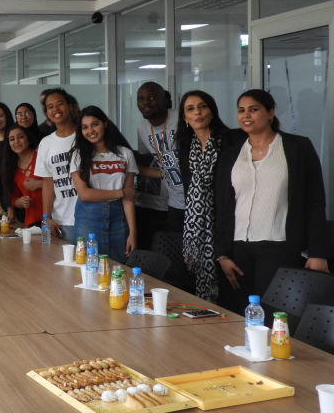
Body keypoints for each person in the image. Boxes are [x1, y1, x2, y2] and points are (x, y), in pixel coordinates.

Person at [215, 89, 329, 311]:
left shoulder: (297, 147)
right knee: (240, 314)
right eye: (241, 110)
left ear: (270, 113)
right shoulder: (231, 153)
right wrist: (222, 254)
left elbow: (315, 202)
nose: (246, 115)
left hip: (280, 247)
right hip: (239, 250)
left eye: (254, 109)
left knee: (273, 315)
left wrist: (318, 252)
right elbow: (223, 206)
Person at [176, 90, 228, 303]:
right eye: (190, 109)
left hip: (226, 221)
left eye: (202, 106)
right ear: (185, 117)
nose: (197, 112)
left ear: (212, 111)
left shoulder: (229, 141)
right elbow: (189, 191)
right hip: (198, 228)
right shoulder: (186, 146)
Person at [69, 106, 138, 263]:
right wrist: (120, 193)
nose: (90, 131)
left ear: (105, 124)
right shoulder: (78, 155)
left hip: (119, 217)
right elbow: (85, 194)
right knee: (87, 266)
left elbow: (129, 198)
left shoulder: (125, 153)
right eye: (85, 127)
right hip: (88, 218)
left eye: (95, 124)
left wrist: (133, 232)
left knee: (120, 267)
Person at [134, 82, 184, 250]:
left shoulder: (182, 118)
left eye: (152, 97)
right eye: (141, 99)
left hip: (198, 198)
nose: (145, 103)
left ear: (164, 99)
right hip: (175, 201)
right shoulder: (142, 129)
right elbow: (147, 157)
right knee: (177, 253)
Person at [34, 88, 80, 242]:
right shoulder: (46, 143)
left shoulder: (84, 136)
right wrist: (46, 218)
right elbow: (48, 183)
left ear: (69, 106)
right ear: (47, 112)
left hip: (89, 216)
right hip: (61, 220)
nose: (55, 109)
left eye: (60, 104)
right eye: (50, 107)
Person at [3, 124, 43, 228]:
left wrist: (39, 184)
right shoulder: (11, 167)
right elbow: (13, 197)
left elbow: (60, 183)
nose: (16, 141)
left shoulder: (41, 156)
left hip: (52, 219)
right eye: (12, 139)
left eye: (20, 137)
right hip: (31, 222)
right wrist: (19, 202)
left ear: (28, 139)